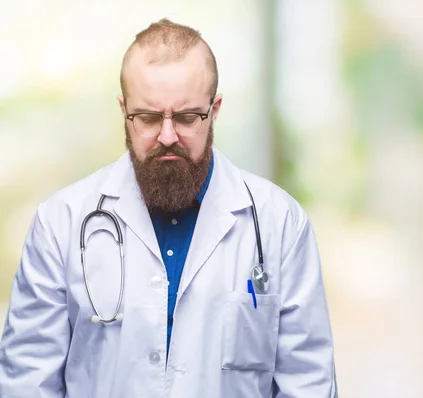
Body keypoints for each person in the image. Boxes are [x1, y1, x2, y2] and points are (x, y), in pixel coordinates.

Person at [0, 18, 337, 397]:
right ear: (124, 110)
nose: (167, 135)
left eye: (187, 117)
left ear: (215, 110)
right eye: (146, 118)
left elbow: (307, 385)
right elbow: (27, 384)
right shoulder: (59, 223)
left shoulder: (280, 224)